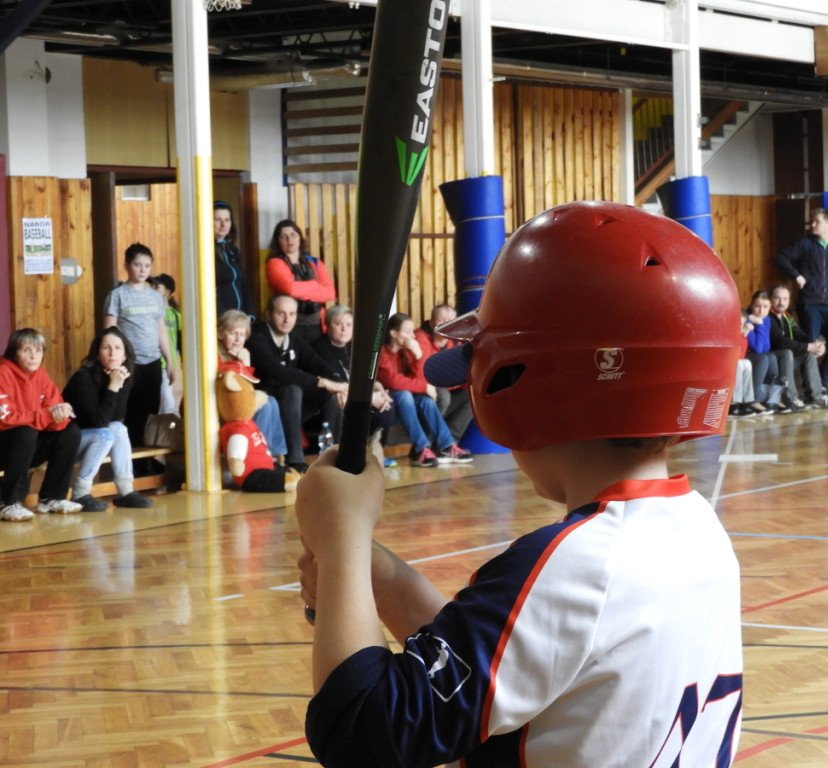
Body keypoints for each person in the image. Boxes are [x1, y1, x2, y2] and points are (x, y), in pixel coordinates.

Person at [295, 202, 743, 767]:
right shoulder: (699, 533)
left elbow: (359, 727)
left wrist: (341, 543)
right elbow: (506, 658)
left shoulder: (577, 566)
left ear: (528, 385)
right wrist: (366, 568)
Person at [246, 295, 348, 473]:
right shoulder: (257, 337)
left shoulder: (294, 338)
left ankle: (332, 456)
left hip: (288, 410)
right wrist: (322, 382)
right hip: (264, 407)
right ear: (268, 314)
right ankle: (295, 460)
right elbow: (278, 372)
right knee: (293, 389)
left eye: (292, 314)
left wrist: (339, 384)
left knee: (329, 395)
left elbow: (317, 363)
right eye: (281, 313)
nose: (287, 319)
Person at [62, 327, 153, 511]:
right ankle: (80, 492)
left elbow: (116, 417)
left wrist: (117, 385)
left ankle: (126, 491)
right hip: (66, 443)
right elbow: (99, 422)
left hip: (95, 439)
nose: (112, 353)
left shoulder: (121, 376)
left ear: (125, 356)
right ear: (97, 354)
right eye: (106, 347)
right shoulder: (83, 378)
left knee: (119, 429)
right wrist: (113, 387)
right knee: (106, 433)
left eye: (118, 348)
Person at [0, 329, 83, 521]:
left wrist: (60, 415)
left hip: (25, 447)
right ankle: (8, 502)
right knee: (25, 431)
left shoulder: (41, 375)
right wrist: (46, 415)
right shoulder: (3, 372)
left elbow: (52, 415)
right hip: (6, 445)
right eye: (26, 350)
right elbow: (5, 419)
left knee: (70, 431)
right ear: (14, 352)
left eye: (38, 350)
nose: (33, 355)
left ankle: (52, 498)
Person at [377, 312, 473, 468]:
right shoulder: (382, 353)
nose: (412, 336)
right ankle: (421, 448)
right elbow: (393, 382)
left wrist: (418, 356)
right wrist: (424, 387)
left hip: (405, 399)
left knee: (426, 400)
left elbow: (420, 379)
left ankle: (447, 445)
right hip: (387, 400)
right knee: (405, 395)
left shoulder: (405, 352)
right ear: (393, 333)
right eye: (407, 331)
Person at [102, 243, 174, 448]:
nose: (142, 270)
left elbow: (161, 330)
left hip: (153, 362)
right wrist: (113, 364)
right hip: (129, 365)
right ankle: (134, 461)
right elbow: (110, 333)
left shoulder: (155, 296)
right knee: (131, 412)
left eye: (147, 265)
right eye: (137, 264)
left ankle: (147, 458)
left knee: (151, 413)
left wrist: (169, 361)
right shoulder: (117, 295)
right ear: (127, 266)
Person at [775, 207, 828, 397]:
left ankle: (822, 382)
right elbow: (781, 258)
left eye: (817, 222)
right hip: (810, 304)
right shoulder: (805, 244)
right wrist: (796, 275)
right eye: (811, 221)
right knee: (811, 347)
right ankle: (810, 391)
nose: (812, 225)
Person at [308, 304, 396, 452]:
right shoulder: (318, 349)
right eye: (338, 324)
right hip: (329, 402)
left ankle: (373, 450)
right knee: (341, 401)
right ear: (327, 326)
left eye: (349, 324)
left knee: (386, 407)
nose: (344, 329)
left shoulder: (355, 347)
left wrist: (378, 389)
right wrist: (370, 397)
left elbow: (367, 376)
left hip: (356, 397)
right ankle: (343, 453)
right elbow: (336, 383)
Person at [217, 310, 289, 463]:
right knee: (265, 405)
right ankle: (260, 455)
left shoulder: (240, 353)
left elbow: (246, 387)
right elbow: (230, 385)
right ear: (220, 334)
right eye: (233, 333)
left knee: (271, 401)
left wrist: (244, 362)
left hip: (237, 403)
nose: (238, 339)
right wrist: (242, 364)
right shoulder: (215, 353)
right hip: (225, 406)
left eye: (242, 335)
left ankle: (274, 455)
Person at [265, 219, 337, 346]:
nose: (289, 240)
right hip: (289, 325)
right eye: (283, 237)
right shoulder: (275, 263)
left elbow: (330, 293)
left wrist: (301, 289)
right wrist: (315, 286)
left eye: (293, 235)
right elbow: (290, 289)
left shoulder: (315, 262)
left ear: (300, 237)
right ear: (278, 242)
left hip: (317, 325)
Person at [767, 284, 828, 409]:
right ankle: (791, 399)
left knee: (807, 354)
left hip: (786, 361)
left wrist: (816, 344)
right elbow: (779, 341)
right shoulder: (768, 317)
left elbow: (801, 334)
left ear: (789, 300)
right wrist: (808, 346)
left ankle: (816, 397)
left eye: (785, 299)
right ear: (771, 299)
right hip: (772, 362)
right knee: (787, 352)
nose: (781, 302)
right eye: (777, 298)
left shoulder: (787, 317)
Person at [414, 303, 473, 443]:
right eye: (441, 319)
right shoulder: (420, 336)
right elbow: (423, 373)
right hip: (420, 391)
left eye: (450, 321)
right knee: (443, 395)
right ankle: (428, 444)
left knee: (471, 395)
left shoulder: (456, 341)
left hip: (444, 388)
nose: (446, 324)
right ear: (431, 321)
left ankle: (450, 442)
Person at [214, 200, 257, 320]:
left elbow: (244, 284)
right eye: (218, 220)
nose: (223, 225)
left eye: (227, 220)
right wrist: (224, 318)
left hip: (239, 321)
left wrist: (249, 314)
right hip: (222, 321)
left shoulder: (232, 249)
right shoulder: (204, 251)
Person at [148, 272, 183, 413]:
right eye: (151, 286)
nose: (152, 289)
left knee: (168, 402)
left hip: (168, 364)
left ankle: (170, 429)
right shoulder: (150, 313)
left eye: (157, 287)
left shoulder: (176, 315)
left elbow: (181, 343)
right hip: (152, 361)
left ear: (167, 292)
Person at [744, 290, 782, 411]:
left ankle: (773, 399)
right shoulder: (747, 320)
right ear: (751, 306)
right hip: (746, 355)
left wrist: (761, 324)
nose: (761, 311)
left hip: (759, 354)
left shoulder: (767, 320)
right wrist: (758, 325)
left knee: (771, 356)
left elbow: (766, 347)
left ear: (769, 308)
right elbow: (758, 349)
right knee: (764, 358)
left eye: (765, 307)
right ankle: (753, 401)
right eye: (757, 306)